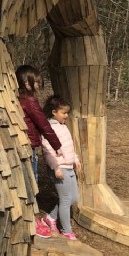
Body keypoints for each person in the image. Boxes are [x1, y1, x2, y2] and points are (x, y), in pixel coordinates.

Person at [16, 64, 62, 238]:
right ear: (26, 83)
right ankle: (33, 219)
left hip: (24, 144)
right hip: (29, 146)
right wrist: (57, 145)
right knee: (32, 181)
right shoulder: (30, 101)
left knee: (28, 180)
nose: (38, 85)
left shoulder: (19, 97)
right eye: (35, 82)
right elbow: (43, 124)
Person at [40, 95, 81, 241]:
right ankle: (67, 231)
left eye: (67, 112)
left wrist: (75, 159)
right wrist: (56, 168)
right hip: (59, 168)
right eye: (63, 112)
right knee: (65, 199)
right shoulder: (49, 129)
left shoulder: (63, 127)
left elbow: (69, 147)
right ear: (54, 112)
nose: (66, 115)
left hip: (69, 167)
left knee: (73, 198)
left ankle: (51, 217)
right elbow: (47, 152)